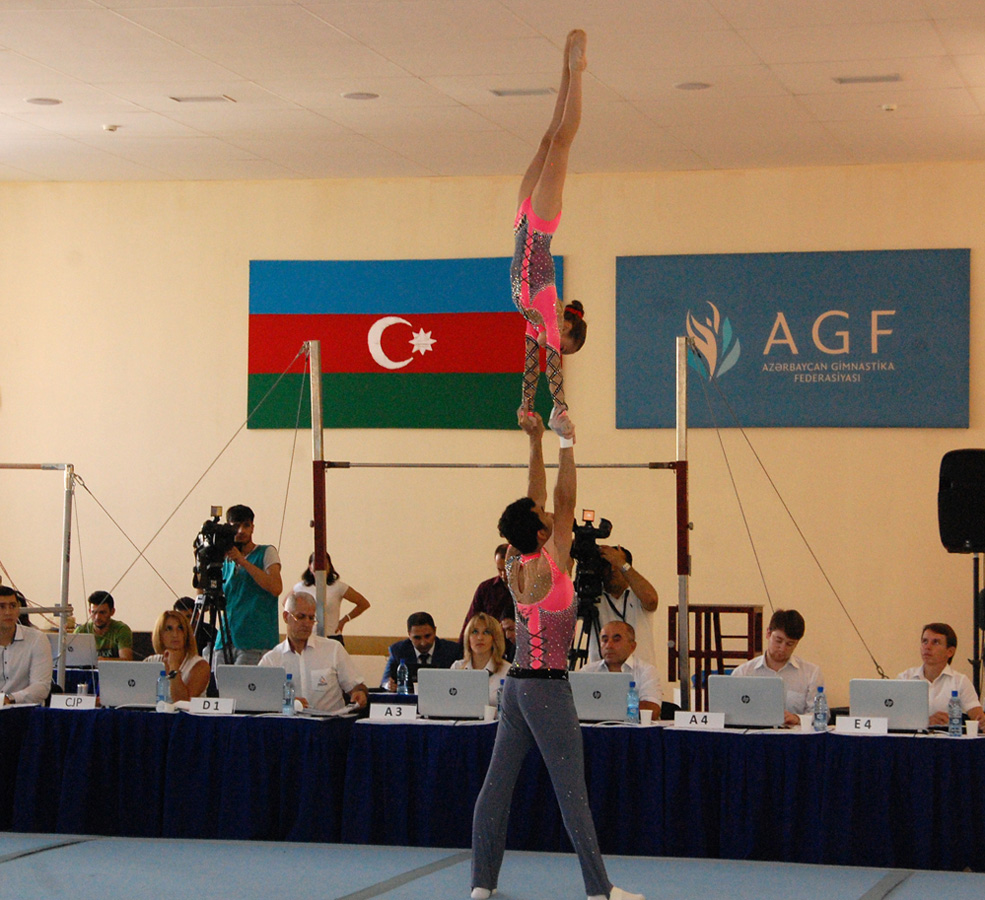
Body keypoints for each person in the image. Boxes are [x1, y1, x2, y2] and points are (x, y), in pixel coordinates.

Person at [471, 409, 643, 900]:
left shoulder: (513, 562)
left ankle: (481, 884)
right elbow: (563, 499)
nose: (549, 516)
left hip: (515, 690)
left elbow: (537, 500)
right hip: (546, 689)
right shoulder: (553, 565)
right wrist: (567, 443)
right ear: (543, 533)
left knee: (495, 790)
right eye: (545, 521)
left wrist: (535, 441)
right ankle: (599, 889)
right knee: (573, 796)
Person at [511, 29, 589, 441]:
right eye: (560, 344)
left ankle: (565, 63)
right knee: (562, 142)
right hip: (539, 225)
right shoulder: (549, 316)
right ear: (565, 329)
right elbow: (551, 369)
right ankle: (577, 74)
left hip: (521, 216)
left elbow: (530, 369)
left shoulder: (530, 321)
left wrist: (526, 406)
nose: (547, 345)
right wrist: (560, 412)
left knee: (547, 137)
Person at [259, 592, 367, 712]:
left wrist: (359, 692)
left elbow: (356, 685)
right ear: (285, 617)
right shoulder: (271, 660)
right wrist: (289, 703)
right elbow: (260, 698)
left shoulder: (333, 649)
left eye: (311, 618)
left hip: (329, 725)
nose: (307, 623)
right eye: (300, 617)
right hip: (289, 725)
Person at [730, 609, 823, 727]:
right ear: (768, 633)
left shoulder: (811, 673)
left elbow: (821, 714)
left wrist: (797, 718)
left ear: (797, 643)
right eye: (778, 641)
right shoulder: (743, 672)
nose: (782, 648)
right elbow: (731, 712)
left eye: (790, 644)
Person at [219, 504, 283, 665]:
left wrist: (243, 561)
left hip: (255, 641)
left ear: (252, 528)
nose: (241, 531)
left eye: (246, 525)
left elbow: (276, 587)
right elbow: (205, 598)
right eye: (236, 526)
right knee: (220, 689)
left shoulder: (266, 552)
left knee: (244, 689)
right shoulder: (225, 560)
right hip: (225, 640)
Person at [897, 622, 985, 727]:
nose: (927, 647)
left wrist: (981, 722)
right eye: (924, 641)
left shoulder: (960, 681)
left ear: (950, 652)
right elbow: (894, 718)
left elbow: (977, 716)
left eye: (936, 642)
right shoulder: (905, 678)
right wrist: (926, 722)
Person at [585, 545, 659, 668]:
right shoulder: (591, 596)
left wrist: (621, 563)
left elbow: (651, 600)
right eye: (608, 565)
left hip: (640, 674)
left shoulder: (637, 593)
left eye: (617, 566)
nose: (613, 570)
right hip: (601, 674)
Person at [582, 621, 662, 715]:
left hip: (632, 729)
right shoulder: (588, 671)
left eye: (616, 640)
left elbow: (652, 710)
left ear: (632, 646)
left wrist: (603, 707)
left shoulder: (646, 671)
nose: (609, 645)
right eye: (605, 640)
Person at [293, 552, 370, 638]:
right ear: (310, 567)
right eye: (316, 564)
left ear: (329, 566)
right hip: (308, 637)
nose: (319, 567)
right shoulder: (300, 587)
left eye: (324, 564)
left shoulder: (338, 586)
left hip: (332, 636)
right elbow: (288, 606)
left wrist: (344, 620)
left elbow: (363, 604)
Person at [382, 611, 461, 691]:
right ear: (409, 634)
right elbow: (385, 680)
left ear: (435, 631)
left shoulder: (452, 650)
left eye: (427, 636)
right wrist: (388, 685)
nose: (423, 643)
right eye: (417, 638)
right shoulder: (398, 650)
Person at [0, 586, 52, 705]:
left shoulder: (37, 639)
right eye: (1, 607)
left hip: (24, 713)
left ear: (18, 609)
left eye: (12, 606)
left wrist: (9, 699)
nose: (8, 612)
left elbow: (41, 687)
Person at [145, 610, 210, 701]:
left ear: (186, 634)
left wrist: (174, 666)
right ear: (160, 634)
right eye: (169, 629)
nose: (175, 634)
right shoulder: (150, 662)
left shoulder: (200, 666)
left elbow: (182, 702)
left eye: (180, 628)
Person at [453, 613, 511, 705]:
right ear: (468, 638)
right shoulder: (457, 667)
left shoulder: (507, 671)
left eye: (486, 632)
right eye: (475, 632)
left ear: (495, 638)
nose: (480, 638)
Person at [458, 544, 512, 644]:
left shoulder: (527, 589)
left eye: (507, 570)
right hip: (490, 645)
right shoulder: (486, 588)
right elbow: (471, 620)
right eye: (500, 570)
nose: (503, 575)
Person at [74, 590, 134, 660]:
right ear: (90, 611)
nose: (97, 617)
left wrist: (103, 661)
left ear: (112, 612)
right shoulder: (81, 631)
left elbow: (126, 660)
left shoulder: (121, 629)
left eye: (102, 612)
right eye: (94, 612)